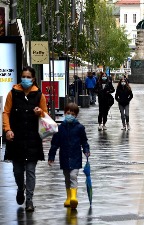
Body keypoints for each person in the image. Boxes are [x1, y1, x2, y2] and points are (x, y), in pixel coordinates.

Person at [3, 66, 48, 212]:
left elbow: (46, 116)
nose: (26, 79)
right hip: (16, 138)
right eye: (24, 76)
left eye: (28, 77)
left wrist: (40, 112)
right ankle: (20, 187)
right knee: (17, 170)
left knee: (30, 170)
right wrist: (7, 129)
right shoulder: (13, 93)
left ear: (33, 79)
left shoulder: (39, 95)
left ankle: (29, 200)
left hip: (33, 138)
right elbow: (6, 113)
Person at [48, 103, 90, 209]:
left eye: (72, 113)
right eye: (68, 113)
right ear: (64, 113)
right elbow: (55, 143)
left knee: (73, 176)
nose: (70, 115)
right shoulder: (60, 128)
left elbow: (84, 141)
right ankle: (68, 197)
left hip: (76, 156)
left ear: (76, 115)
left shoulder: (80, 128)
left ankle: (74, 198)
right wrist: (51, 156)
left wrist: (86, 150)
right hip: (64, 157)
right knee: (67, 178)